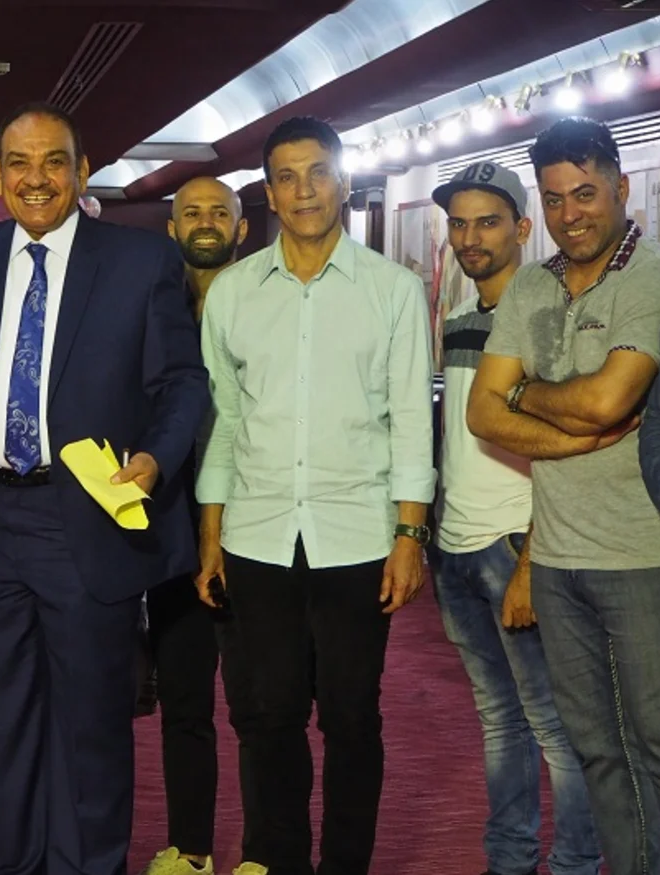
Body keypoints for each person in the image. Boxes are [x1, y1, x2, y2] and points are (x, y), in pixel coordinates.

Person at [0, 101, 207, 875]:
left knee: (89, 730)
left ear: (82, 173)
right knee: (4, 726)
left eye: (55, 161)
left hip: (87, 516)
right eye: (20, 162)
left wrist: (153, 458)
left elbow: (184, 384)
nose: (36, 177)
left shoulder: (142, 262)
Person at [196, 117, 435, 875]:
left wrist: (409, 535)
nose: (305, 190)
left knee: (352, 718)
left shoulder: (392, 290)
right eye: (288, 177)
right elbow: (226, 423)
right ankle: (275, 860)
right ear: (269, 193)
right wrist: (211, 534)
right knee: (266, 718)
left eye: (318, 172)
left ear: (343, 179)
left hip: (358, 536)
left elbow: (409, 423)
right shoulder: (233, 294)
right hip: (257, 533)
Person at [470, 117, 660, 875]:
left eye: (585, 193)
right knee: (596, 751)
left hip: (641, 555)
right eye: (554, 199)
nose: (571, 212)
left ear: (621, 186)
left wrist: (528, 388)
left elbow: (611, 399)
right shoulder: (531, 284)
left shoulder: (649, 277)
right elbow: (483, 410)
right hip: (556, 559)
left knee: (653, 743)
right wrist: (572, 424)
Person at [431, 161, 602, 875]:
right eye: (460, 223)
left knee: (555, 727)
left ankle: (573, 862)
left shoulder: (546, 320)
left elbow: (564, 453)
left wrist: (532, 559)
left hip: (515, 547)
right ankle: (508, 859)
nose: (471, 237)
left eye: (488, 222)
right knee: (499, 720)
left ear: (523, 229)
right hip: (457, 546)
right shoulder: (461, 318)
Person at [141, 176, 249, 875]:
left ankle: (269, 850)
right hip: (172, 527)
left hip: (258, 525)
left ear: (241, 227)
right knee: (183, 700)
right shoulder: (151, 304)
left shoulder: (267, 300)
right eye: (191, 213)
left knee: (261, 704)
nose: (205, 222)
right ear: (171, 228)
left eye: (220, 212)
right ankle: (192, 849)